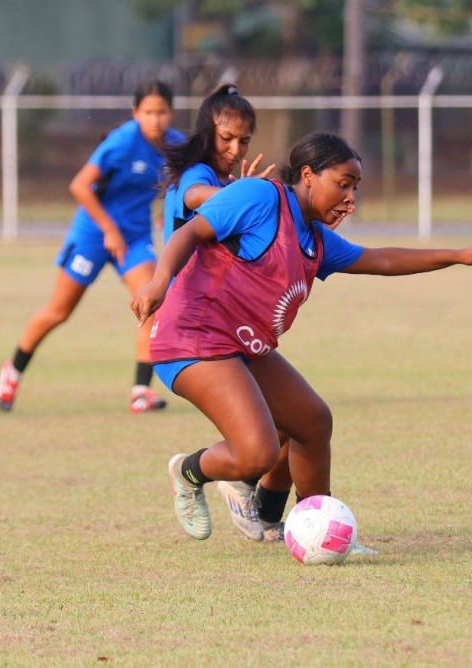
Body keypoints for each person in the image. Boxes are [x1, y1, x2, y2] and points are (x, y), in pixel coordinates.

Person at [131, 131, 472, 544]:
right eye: (343, 184)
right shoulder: (262, 197)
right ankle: (187, 472)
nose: (350, 199)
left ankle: (309, 527)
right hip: (193, 337)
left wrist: (457, 256)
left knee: (312, 421)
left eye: (355, 188)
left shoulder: (315, 239)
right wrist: (159, 282)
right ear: (308, 175)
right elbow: (189, 232)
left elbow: (380, 259)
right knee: (256, 453)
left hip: (243, 347)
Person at [0, 79, 185, 414]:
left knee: (151, 304)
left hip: (134, 238)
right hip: (93, 235)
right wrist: (109, 229)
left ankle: (141, 392)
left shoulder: (177, 145)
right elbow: (80, 186)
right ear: (135, 113)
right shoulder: (123, 141)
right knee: (59, 312)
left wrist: (168, 212)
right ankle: (12, 371)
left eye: (162, 112)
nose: (155, 119)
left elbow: (187, 182)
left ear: (172, 113)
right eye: (148, 112)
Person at [160, 82, 290, 543]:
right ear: (206, 133)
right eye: (226, 138)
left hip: (231, 322)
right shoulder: (197, 174)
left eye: (244, 140)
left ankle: (265, 511)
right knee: (255, 444)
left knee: (296, 421)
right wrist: (239, 194)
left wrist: (238, 191)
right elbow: (197, 196)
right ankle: (191, 471)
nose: (235, 149)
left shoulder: (226, 183)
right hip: (193, 328)